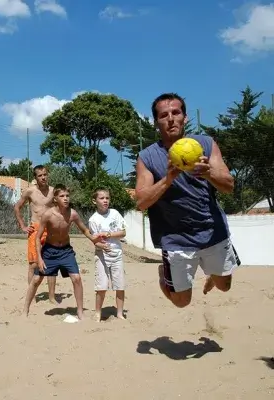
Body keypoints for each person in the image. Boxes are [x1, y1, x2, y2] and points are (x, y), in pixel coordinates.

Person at [135, 92, 241, 308]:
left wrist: (208, 173)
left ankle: (213, 274)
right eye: (164, 115)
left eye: (176, 112)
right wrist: (168, 178)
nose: (171, 118)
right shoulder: (146, 157)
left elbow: (229, 185)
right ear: (156, 122)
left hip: (213, 230)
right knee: (181, 302)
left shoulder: (205, 143)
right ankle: (163, 274)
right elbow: (141, 202)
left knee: (225, 286)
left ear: (185, 117)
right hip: (176, 239)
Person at [22, 184, 107, 320]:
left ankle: (80, 311)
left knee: (77, 278)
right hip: (49, 251)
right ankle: (25, 309)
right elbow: (38, 238)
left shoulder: (72, 214)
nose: (66, 198)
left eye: (67, 196)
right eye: (62, 196)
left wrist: (94, 240)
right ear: (55, 198)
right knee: (37, 279)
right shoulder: (48, 215)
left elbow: (85, 230)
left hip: (66, 251)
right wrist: (39, 258)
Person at [14, 165, 58, 304]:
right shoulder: (30, 191)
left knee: (51, 264)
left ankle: (51, 297)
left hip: (50, 229)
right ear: (35, 177)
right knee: (33, 264)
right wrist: (22, 225)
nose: (43, 177)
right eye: (40, 175)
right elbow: (17, 207)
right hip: (35, 228)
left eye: (45, 174)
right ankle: (31, 295)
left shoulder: (53, 191)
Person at [88, 188, 127, 321]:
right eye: (102, 198)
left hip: (117, 254)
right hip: (102, 256)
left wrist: (109, 234)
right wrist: (101, 245)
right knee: (101, 286)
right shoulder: (93, 220)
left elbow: (123, 232)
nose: (105, 201)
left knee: (120, 285)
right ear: (95, 201)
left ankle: (120, 313)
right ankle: (98, 312)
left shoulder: (115, 213)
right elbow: (95, 241)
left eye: (107, 198)